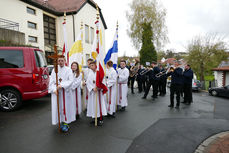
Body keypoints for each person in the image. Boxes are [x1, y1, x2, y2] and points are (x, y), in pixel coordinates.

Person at [48, 56, 74, 132]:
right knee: (58, 108)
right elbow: (51, 82)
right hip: (57, 92)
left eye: (62, 60)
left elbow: (71, 80)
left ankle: (65, 123)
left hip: (65, 92)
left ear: (65, 61)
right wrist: (54, 89)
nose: (60, 62)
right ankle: (59, 121)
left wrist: (62, 85)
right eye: (59, 60)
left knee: (65, 108)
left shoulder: (68, 70)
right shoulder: (54, 70)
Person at [86, 61, 107, 126]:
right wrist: (92, 88)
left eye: (92, 65)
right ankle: (95, 118)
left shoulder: (99, 73)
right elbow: (88, 83)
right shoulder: (89, 73)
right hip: (93, 92)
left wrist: (98, 87)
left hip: (98, 92)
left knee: (99, 105)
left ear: (95, 66)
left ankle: (100, 118)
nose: (91, 66)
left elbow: (102, 81)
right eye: (90, 65)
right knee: (93, 105)